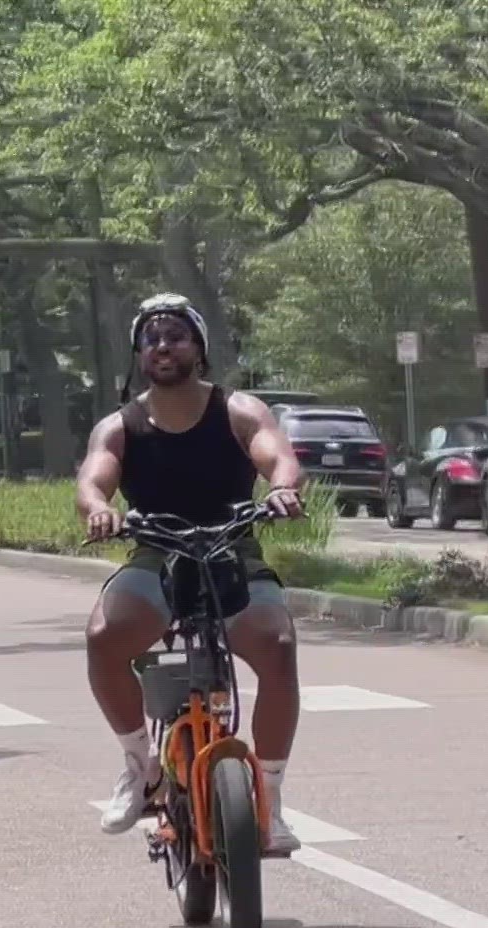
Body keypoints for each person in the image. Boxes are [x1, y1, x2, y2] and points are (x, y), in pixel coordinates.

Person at [76, 293, 307, 855]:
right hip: (156, 554)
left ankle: (270, 800)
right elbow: (92, 482)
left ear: (198, 348)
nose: (163, 345)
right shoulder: (120, 426)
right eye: (151, 337)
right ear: (138, 352)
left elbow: (277, 455)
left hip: (233, 551)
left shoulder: (238, 409)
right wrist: (100, 510)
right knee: (103, 637)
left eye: (175, 335)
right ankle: (141, 766)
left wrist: (281, 488)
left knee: (278, 646)